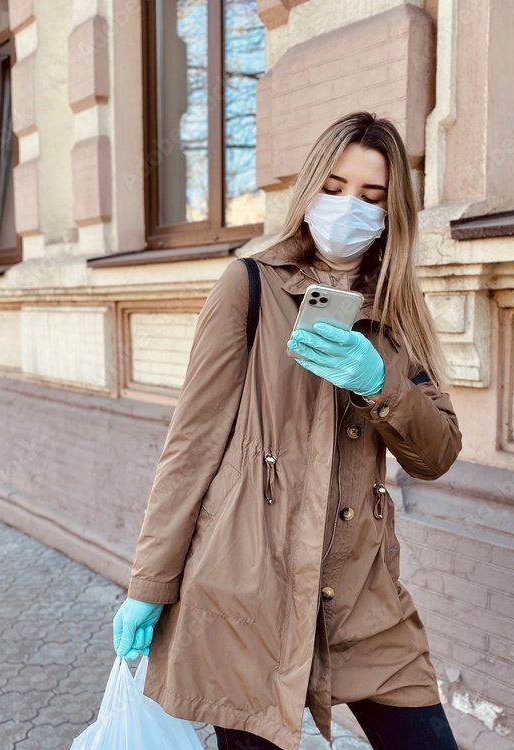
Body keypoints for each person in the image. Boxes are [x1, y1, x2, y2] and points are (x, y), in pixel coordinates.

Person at [112, 111, 463, 750]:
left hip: (363, 594)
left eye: (371, 196)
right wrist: (150, 584)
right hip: (249, 586)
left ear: (391, 214)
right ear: (308, 190)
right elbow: (191, 444)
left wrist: (378, 378)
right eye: (334, 188)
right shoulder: (248, 285)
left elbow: (437, 453)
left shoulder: (396, 311)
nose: (348, 207)